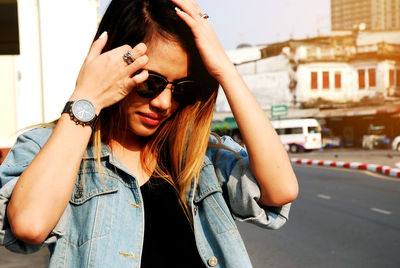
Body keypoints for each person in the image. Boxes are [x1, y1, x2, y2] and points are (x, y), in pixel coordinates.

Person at [0, 0, 298, 267]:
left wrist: (224, 69)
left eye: (181, 88)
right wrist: (86, 97)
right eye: (150, 82)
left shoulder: (198, 156)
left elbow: (281, 190)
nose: (164, 103)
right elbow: (30, 225)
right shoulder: (54, 147)